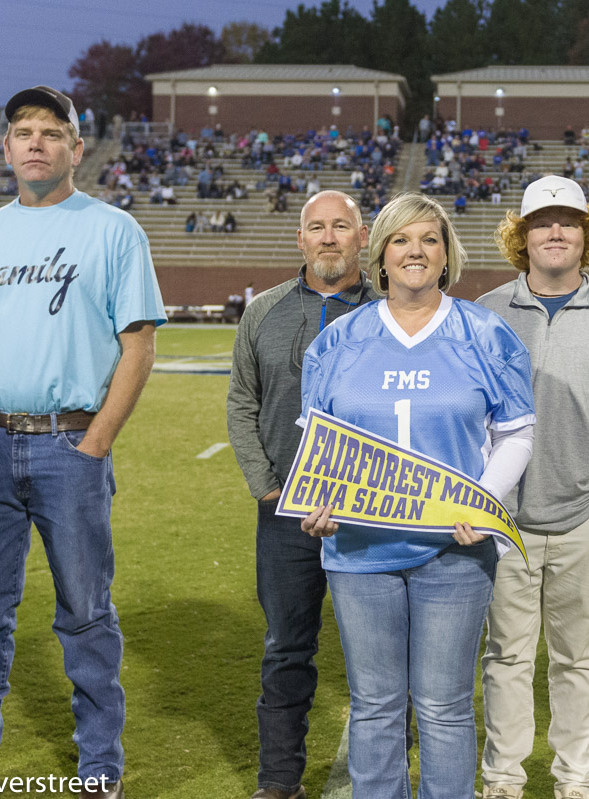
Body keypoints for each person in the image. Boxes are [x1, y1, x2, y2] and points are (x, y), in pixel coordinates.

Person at [0, 85, 166, 799]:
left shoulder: (113, 229)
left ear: (76, 149)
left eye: (51, 132)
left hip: (69, 447)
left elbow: (139, 346)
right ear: (5, 148)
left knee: (86, 613)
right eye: (23, 131)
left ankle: (99, 770)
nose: (36, 142)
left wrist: (95, 443)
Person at [298, 192, 536, 798]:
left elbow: (517, 433)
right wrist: (317, 508)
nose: (415, 251)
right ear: (379, 253)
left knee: (444, 706)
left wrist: (480, 504)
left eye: (429, 239)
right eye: (402, 239)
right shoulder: (338, 340)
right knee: (375, 704)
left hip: (453, 553)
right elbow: (317, 446)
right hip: (358, 551)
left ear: (446, 253)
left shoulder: (485, 333)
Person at [478, 175, 589, 799]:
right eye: (542, 222)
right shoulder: (488, 313)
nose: (556, 231)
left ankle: (576, 780)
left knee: (578, 660)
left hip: (586, 521)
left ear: (587, 234)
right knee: (506, 659)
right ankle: (503, 779)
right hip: (504, 525)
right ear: (521, 236)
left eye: (569, 221)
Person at [226, 190, 376, 799]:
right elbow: (242, 401)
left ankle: (382, 772)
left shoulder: (393, 309)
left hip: (373, 515)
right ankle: (278, 779)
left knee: (383, 655)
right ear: (300, 240)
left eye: (341, 226)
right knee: (286, 649)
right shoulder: (263, 311)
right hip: (286, 513)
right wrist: (265, 485)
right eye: (317, 227)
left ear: (362, 237)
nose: (329, 237)